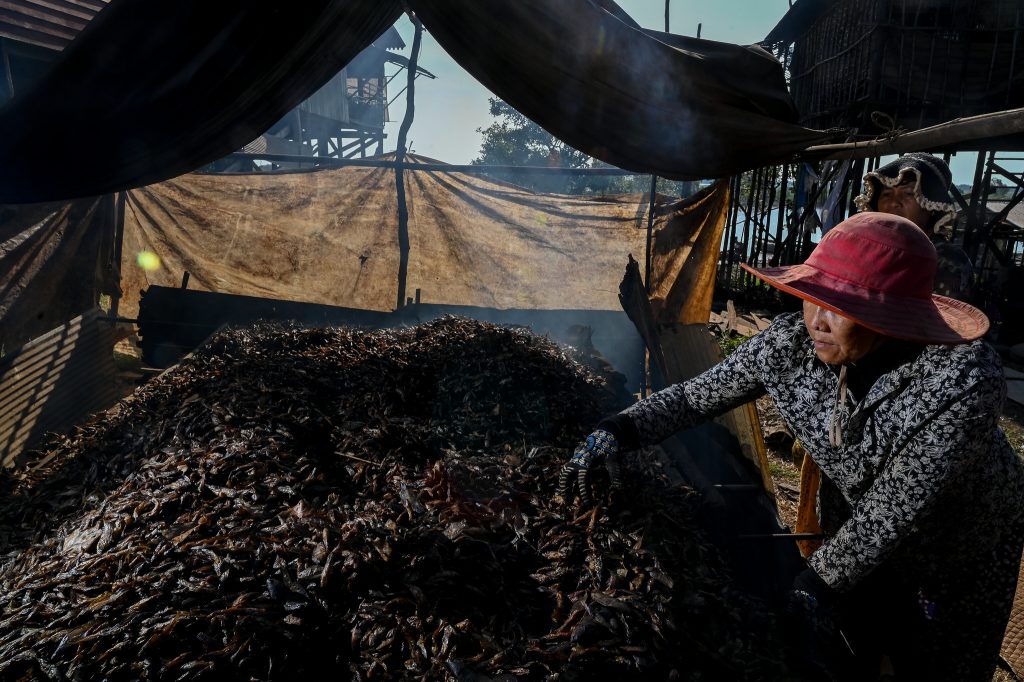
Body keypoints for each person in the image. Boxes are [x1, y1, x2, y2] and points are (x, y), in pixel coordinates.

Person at [559, 211, 1024, 680]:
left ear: (894, 318)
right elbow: (693, 397)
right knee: (858, 644)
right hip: (853, 518)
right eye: (813, 297)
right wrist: (617, 430)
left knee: (939, 661)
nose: (817, 321)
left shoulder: (961, 378)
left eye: (840, 306)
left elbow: (898, 508)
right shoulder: (790, 345)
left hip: (958, 545)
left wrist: (814, 584)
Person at [854, 152, 974, 302]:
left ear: (932, 205)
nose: (893, 203)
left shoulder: (946, 259)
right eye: (886, 194)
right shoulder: (868, 247)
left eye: (908, 194)